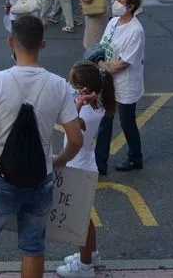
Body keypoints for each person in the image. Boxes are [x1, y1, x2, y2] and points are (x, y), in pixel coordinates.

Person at [0, 15, 83, 278]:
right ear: (42, 44)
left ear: (11, 42)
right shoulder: (58, 85)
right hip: (40, 178)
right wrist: (59, 160)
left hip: (0, 179)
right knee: (33, 247)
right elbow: (76, 139)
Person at [55, 60, 115, 277]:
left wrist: (76, 105)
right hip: (84, 164)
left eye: (72, 84)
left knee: (80, 220)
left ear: (84, 90)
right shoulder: (96, 104)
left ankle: (84, 265)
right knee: (85, 217)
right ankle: (92, 254)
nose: (69, 87)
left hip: (78, 167)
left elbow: (70, 125)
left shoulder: (85, 113)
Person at [93, 0, 145, 174]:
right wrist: (100, 62)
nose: (115, 3)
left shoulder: (136, 31)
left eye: (120, 2)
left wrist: (101, 65)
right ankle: (99, 164)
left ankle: (135, 158)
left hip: (125, 83)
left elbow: (123, 63)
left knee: (126, 122)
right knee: (105, 122)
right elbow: (103, 46)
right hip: (108, 81)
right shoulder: (113, 22)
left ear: (130, 7)